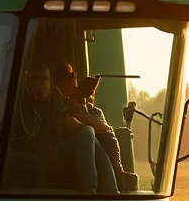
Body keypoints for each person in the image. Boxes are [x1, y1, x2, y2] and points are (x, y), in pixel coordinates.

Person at [12, 64, 117, 195]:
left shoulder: (54, 98)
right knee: (88, 133)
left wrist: (84, 126)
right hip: (38, 156)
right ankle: (92, 193)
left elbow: (66, 122)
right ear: (29, 82)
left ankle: (110, 191)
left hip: (52, 151)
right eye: (39, 81)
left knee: (89, 134)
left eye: (46, 80)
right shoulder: (18, 105)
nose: (44, 85)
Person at [54, 63, 140, 193]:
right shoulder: (61, 104)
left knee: (100, 137)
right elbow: (75, 126)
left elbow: (106, 133)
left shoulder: (95, 111)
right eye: (71, 77)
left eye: (74, 77)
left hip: (93, 147)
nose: (74, 81)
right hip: (67, 155)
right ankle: (102, 189)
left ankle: (113, 184)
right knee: (89, 135)